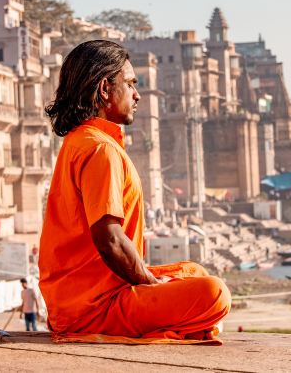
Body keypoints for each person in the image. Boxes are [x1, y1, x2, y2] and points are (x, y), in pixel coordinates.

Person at [39, 40, 230, 340]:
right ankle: (183, 322)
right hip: (94, 310)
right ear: (105, 89)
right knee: (215, 293)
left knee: (193, 272)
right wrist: (150, 284)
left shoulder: (83, 141)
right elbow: (110, 240)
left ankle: (180, 321)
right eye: (129, 84)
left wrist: (152, 280)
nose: (137, 94)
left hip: (77, 303)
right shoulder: (100, 149)